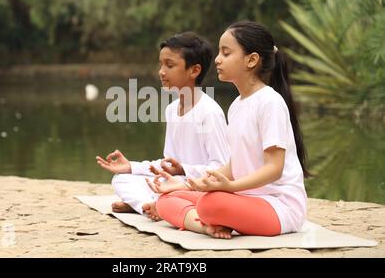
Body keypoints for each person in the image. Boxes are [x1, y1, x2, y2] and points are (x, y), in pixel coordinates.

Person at [147, 21, 309, 239]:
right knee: (168, 198)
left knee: (211, 203)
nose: (217, 59)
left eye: (226, 53)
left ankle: (205, 218)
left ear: (251, 60)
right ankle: (205, 226)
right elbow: (235, 165)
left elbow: (274, 168)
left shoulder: (270, 102)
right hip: (245, 199)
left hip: (278, 206)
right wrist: (191, 183)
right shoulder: (236, 106)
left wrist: (230, 187)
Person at [96, 31, 230, 219]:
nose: (161, 72)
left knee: (176, 192)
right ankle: (148, 205)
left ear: (194, 70)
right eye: (161, 64)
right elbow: (167, 163)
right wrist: (131, 167)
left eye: (170, 65)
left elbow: (221, 167)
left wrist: (184, 170)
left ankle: (155, 204)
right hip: (175, 182)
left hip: (199, 186)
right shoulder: (172, 109)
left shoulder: (209, 112)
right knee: (121, 179)